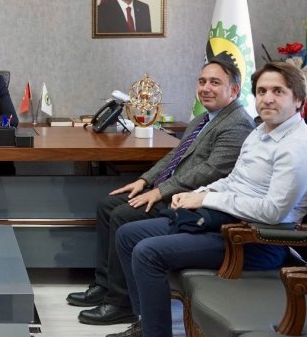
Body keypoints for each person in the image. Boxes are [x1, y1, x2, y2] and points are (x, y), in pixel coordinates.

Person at [108, 61, 307, 337]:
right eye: (261, 91)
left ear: (298, 100)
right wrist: (199, 193)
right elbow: (233, 180)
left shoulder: (298, 148)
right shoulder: (260, 132)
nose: (267, 98)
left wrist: (207, 201)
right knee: (128, 235)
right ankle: (147, 324)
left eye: (278, 91)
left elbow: (273, 212)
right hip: (225, 223)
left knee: (147, 252)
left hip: (257, 241)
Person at [67, 57, 255, 326]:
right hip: (172, 190)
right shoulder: (203, 118)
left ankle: (121, 303)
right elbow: (174, 157)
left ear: (234, 90)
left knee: (122, 215)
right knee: (107, 205)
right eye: (202, 81)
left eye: (215, 83)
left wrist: (160, 191)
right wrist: (144, 181)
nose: (205, 88)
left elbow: (211, 171)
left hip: (192, 202)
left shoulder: (237, 123)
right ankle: (105, 284)